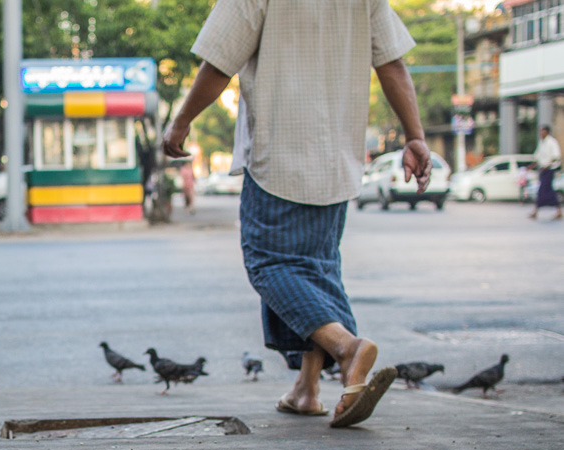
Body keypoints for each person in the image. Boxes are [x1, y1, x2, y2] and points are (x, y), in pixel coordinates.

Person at [163, 0, 431, 428]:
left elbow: (219, 61)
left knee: (269, 264)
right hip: (337, 162)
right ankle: (307, 390)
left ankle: (346, 348)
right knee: (317, 270)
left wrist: (180, 123)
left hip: (279, 156)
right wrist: (415, 137)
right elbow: (392, 65)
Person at [528, 125, 562, 220]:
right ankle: (557, 210)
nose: (541, 133)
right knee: (546, 190)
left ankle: (536, 211)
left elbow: (556, 157)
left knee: (543, 189)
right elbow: (538, 157)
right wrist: (531, 166)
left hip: (550, 169)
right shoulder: (541, 143)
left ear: (547, 132)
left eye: (542, 131)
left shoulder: (552, 142)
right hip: (543, 169)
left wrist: (547, 166)